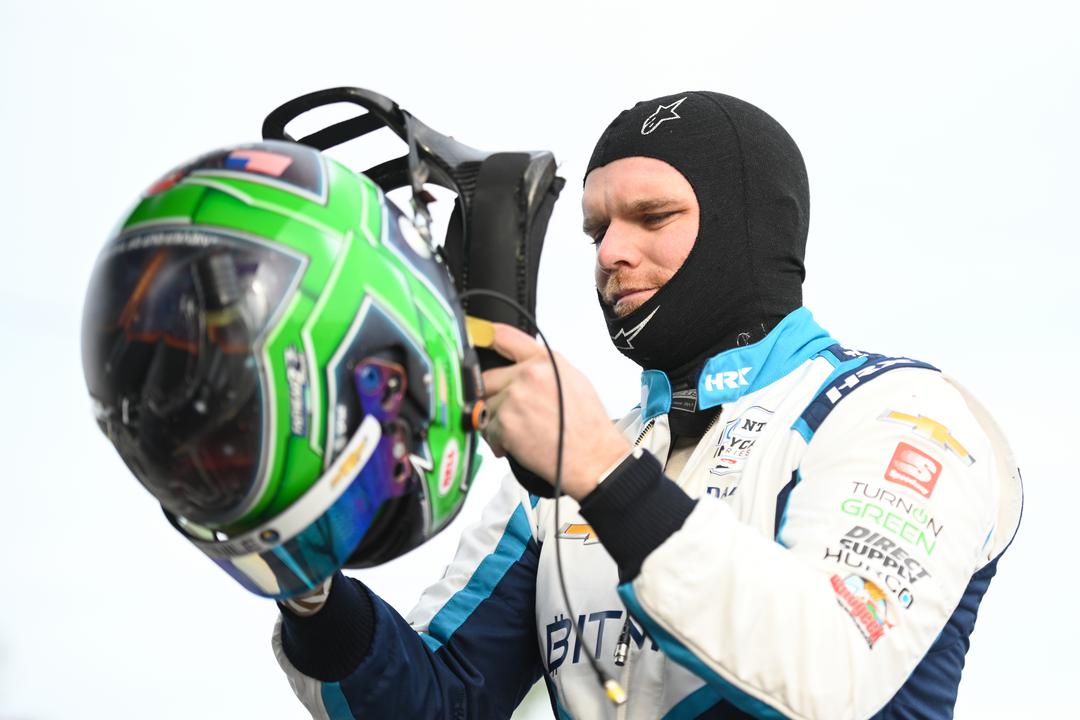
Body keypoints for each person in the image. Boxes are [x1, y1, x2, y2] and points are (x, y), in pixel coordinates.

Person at [273, 92, 1023, 719]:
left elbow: (828, 672)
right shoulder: (573, 457)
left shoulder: (902, 411)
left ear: (747, 226)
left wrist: (599, 470)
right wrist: (304, 583)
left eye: (651, 217)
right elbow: (442, 701)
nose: (608, 254)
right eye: (598, 229)